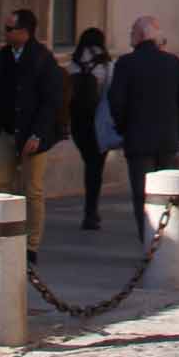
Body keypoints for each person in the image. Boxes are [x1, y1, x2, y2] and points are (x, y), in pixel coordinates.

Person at [0, 7, 62, 263]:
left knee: (33, 190)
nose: (5, 33)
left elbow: (51, 101)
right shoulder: (4, 56)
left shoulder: (42, 58)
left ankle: (31, 244)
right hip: (8, 131)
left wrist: (38, 134)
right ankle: (3, 231)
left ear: (24, 32)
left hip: (32, 134)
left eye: (9, 29)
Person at [108, 16, 179, 242]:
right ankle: (168, 243)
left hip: (138, 139)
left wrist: (124, 127)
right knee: (167, 194)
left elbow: (116, 102)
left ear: (139, 36)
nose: (129, 38)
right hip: (167, 139)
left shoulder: (126, 63)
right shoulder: (173, 62)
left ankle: (147, 240)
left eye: (131, 34)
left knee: (142, 195)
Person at [68, 26, 114, 231]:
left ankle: (90, 211)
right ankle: (91, 211)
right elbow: (109, 94)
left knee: (89, 161)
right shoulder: (105, 63)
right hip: (98, 121)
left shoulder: (74, 63)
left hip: (78, 121)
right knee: (96, 166)